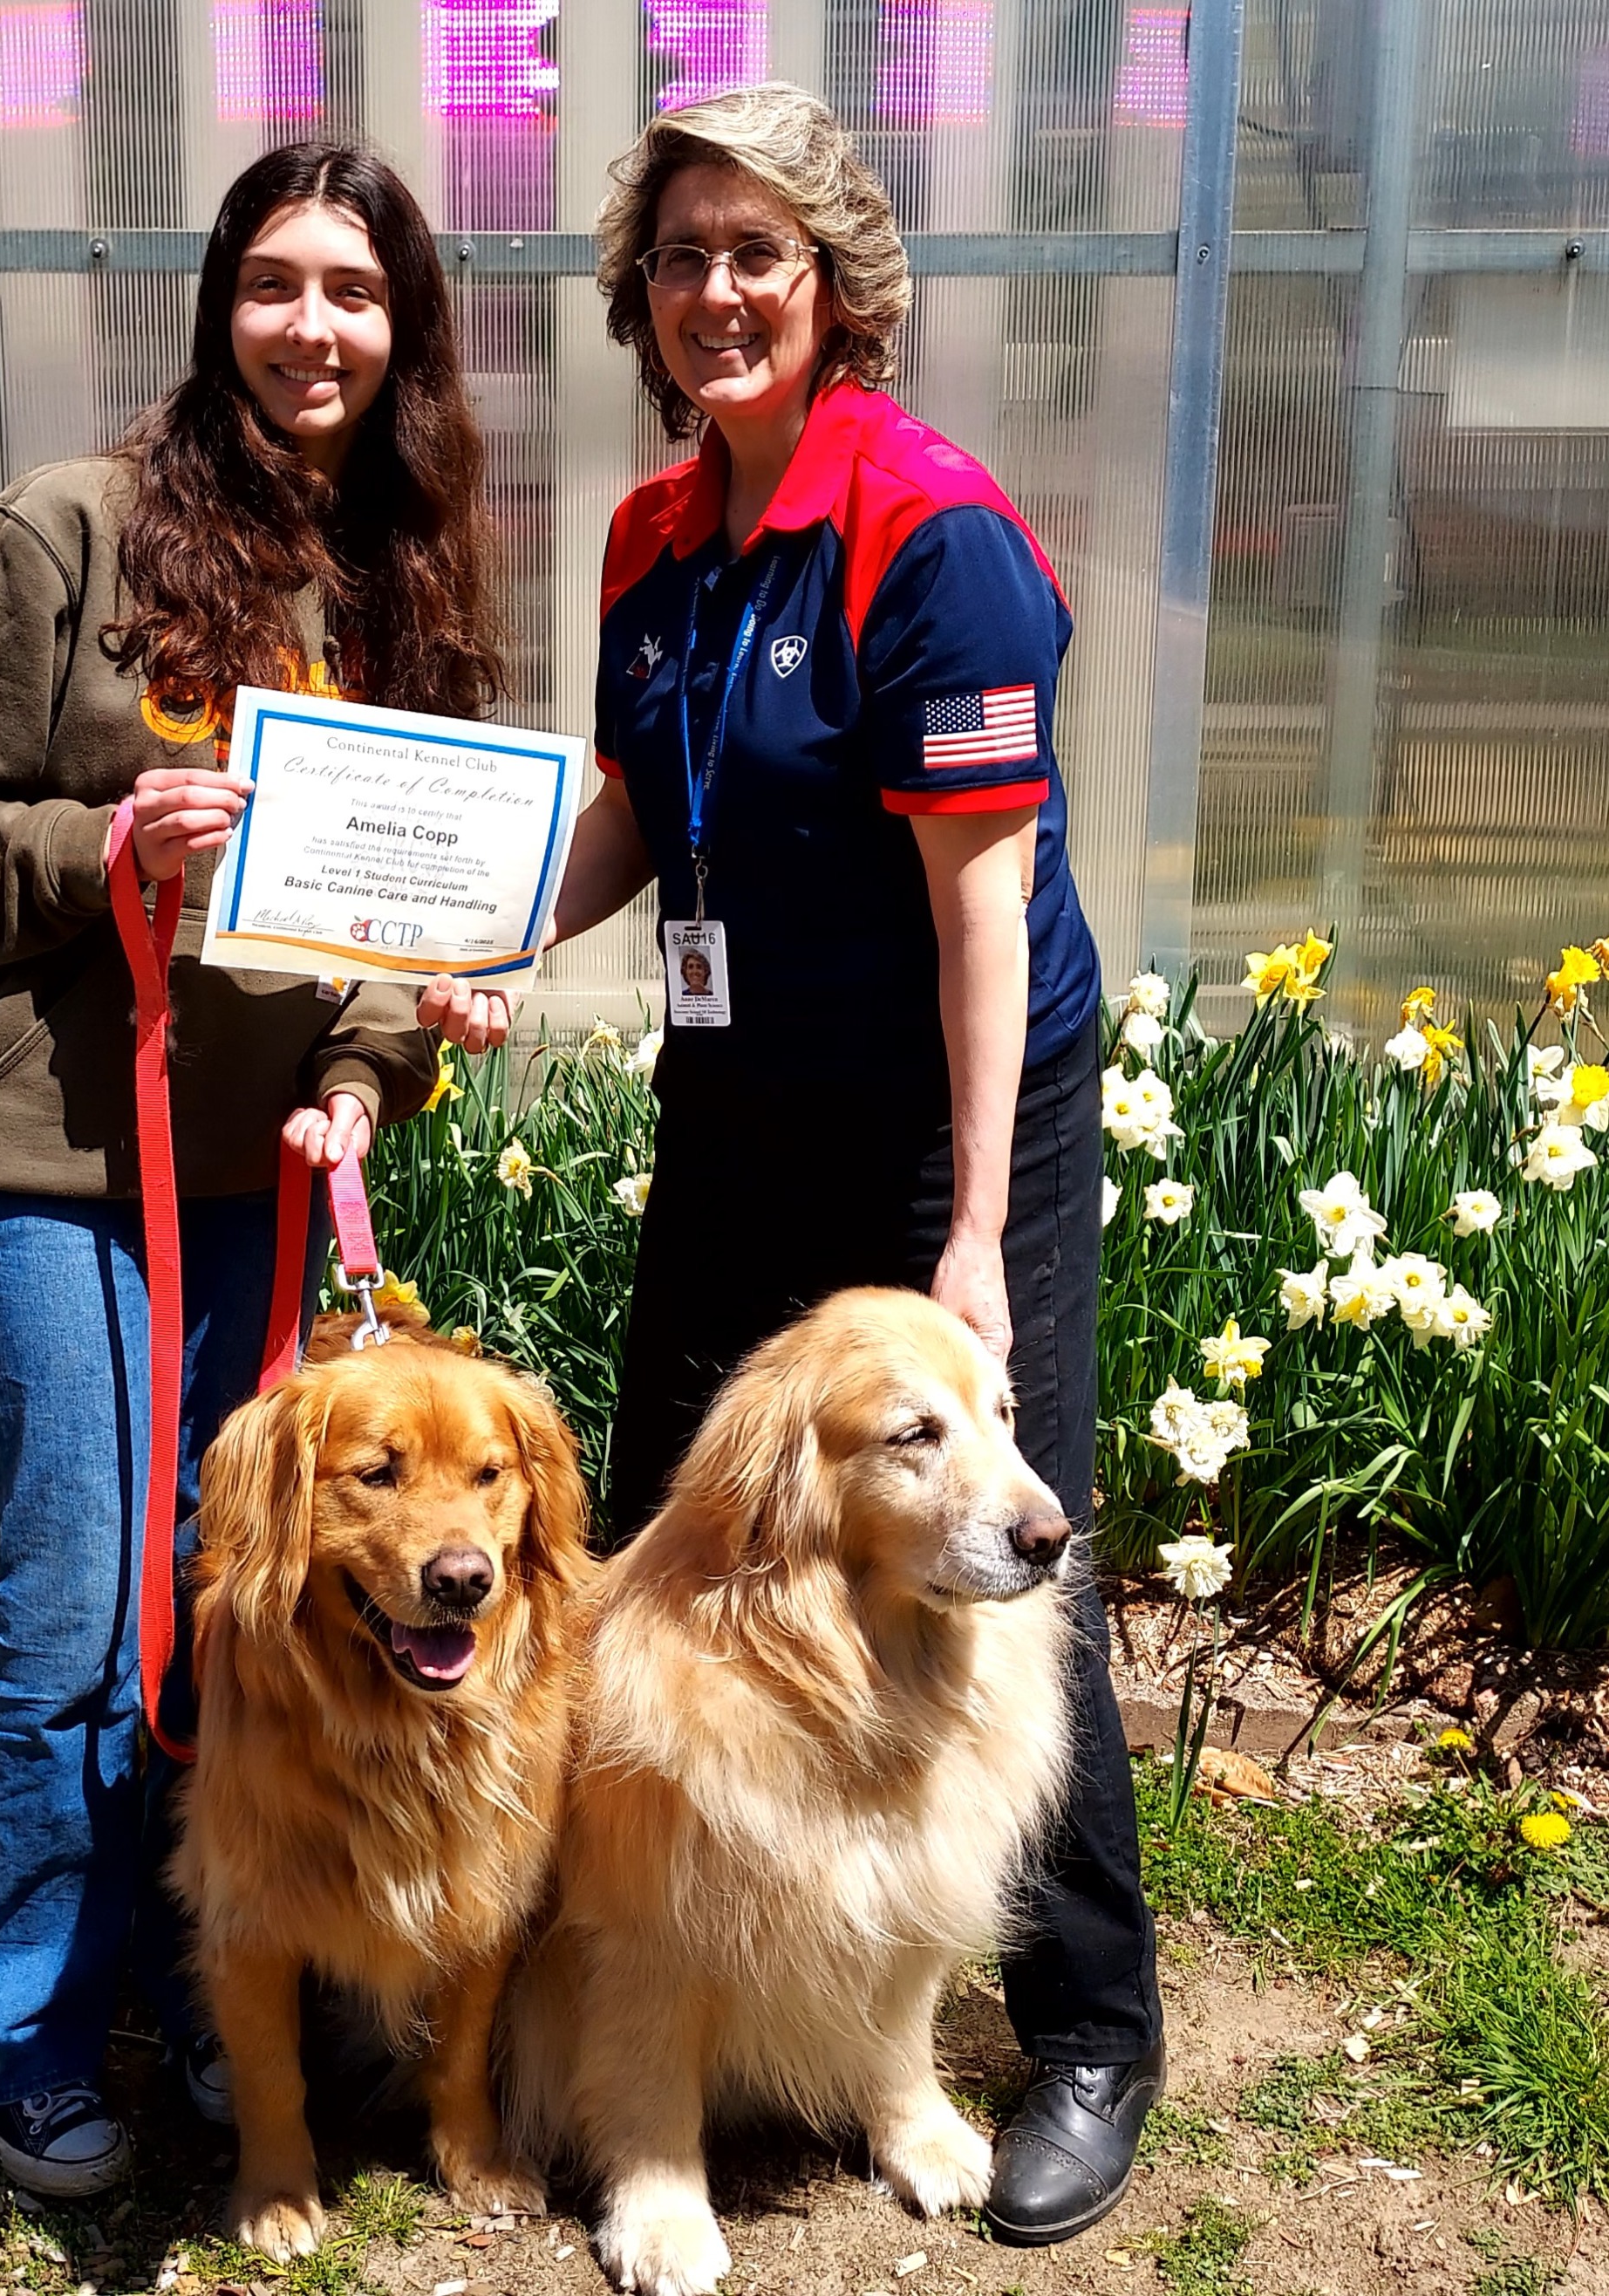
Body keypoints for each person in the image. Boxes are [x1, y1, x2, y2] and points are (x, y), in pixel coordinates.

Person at [427, 83, 1163, 2248]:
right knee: (687, 1543)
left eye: (760, 251)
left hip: (948, 1104)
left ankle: (1086, 2023)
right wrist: (483, 939)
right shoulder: (656, 536)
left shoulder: (924, 527)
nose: (718, 290)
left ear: (835, 284)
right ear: (636, 302)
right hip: (739, 1100)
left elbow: (976, 903)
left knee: (1013, 1549)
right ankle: (686, 1968)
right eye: (679, 256)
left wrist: (965, 1229)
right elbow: (646, 817)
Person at [0, 141, 499, 2197]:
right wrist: (104, 846)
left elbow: (401, 928)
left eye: (358, 291)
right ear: (220, 299)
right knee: (74, 1601)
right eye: (278, 282)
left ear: (402, 328)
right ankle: (23, 2024)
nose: (316, 327)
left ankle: (222, 1983)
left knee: (247, 1614)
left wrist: (373, 1074)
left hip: (262, 1181)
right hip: (64, 1161)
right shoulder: (72, 526)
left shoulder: (399, 571)